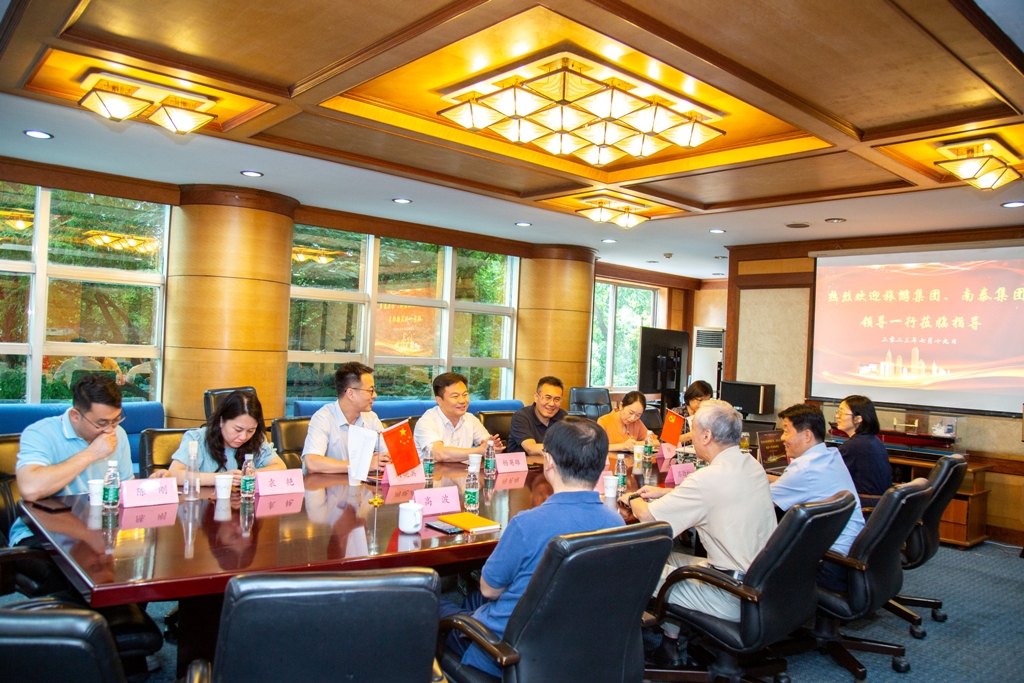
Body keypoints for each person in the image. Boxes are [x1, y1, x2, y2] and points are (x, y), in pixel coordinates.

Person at [440, 417, 623, 677]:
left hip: (505, 652)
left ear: (549, 462)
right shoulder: (615, 521)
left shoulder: (527, 523)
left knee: (433, 605)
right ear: (603, 464)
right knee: (472, 600)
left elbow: (490, 589)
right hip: (578, 644)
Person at [624, 400, 776, 626]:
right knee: (665, 555)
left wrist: (632, 497)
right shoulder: (751, 465)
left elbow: (648, 517)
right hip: (763, 583)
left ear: (706, 436)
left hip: (730, 593)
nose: (690, 436)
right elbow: (716, 497)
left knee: (631, 567)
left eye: (693, 430)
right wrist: (666, 493)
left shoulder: (707, 478)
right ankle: (671, 639)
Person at [11, 375, 135, 592]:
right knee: (73, 576)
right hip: (40, 534)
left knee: (133, 571)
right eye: (102, 423)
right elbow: (30, 489)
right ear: (76, 415)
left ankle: (124, 614)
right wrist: (91, 453)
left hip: (100, 532)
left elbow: (126, 489)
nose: (110, 430)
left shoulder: (119, 435)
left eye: (116, 420)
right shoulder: (41, 433)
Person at [769, 403, 864, 593]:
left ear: (807, 435)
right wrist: (759, 475)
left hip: (829, 566)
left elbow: (761, 501)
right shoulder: (830, 455)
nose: (782, 438)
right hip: (850, 556)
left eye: (786, 431)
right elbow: (795, 483)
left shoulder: (803, 468)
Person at [168, 390, 285, 487]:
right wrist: (222, 478)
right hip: (205, 505)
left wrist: (250, 475)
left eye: (250, 430)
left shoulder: (257, 439)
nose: (243, 437)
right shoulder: (197, 439)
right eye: (238, 430)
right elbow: (174, 474)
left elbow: (280, 467)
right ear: (221, 421)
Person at [302, 362, 389, 473]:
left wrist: (385, 459)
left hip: (360, 483)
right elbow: (312, 462)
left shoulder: (371, 418)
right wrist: (362, 464)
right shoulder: (323, 418)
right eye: (370, 391)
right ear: (350, 394)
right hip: (327, 483)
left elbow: (389, 453)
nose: (375, 395)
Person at [413, 372, 504, 463]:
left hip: (465, 472)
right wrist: (479, 450)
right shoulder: (426, 422)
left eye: (465, 395)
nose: (462, 401)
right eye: (455, 396)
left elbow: (487, 445)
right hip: (434, 472)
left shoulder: (471, 419)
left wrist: (493, 447)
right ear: (439, 400)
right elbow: (440, 454)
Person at [835, 395, 892, 497]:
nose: (837, 416)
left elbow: (829, 472)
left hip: (863, 503)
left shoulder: (853, 446)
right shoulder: (873, 440)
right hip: (878, 502)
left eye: (842, 413)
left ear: (858, 419)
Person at [506, 376, 567, 455]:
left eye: (557, 399)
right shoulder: (521, 416)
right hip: (523, 463)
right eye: (547, 398)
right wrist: (562, 450)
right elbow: (531, 448)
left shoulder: (563, 416)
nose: (552, 404)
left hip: (549, 463)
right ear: (536, 397)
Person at [677, 380, 713, 445]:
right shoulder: (677, 413)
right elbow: (668, 441)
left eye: (707, 401)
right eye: (700, 400)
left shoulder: (709, 415)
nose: (703, 404)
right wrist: (691, 435)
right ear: (690, 396)